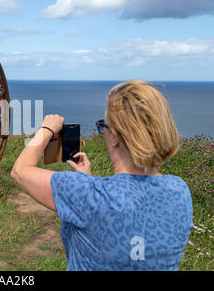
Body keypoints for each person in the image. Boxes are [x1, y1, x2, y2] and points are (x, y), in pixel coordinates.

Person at [10, 80, 194, 271]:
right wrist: (87, 180)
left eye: (103, 126)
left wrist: (46, 129)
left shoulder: (86, 193)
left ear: (115, 137)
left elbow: (20, 171)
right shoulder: (180, 192)